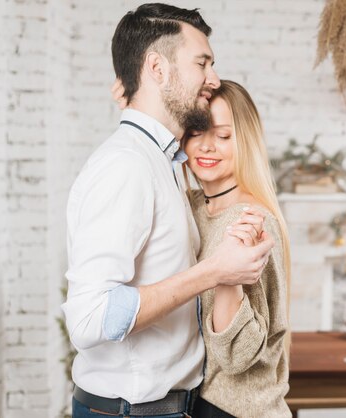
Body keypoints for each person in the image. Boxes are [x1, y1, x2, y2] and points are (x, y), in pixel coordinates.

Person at [62, 4, 274, 417]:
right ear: (157, 69)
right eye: (202, 63)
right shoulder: (127, 166)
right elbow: (90, 319)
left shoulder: (162, 161)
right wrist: (215, 272)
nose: (212, 79)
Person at [182, 80, 292, 418]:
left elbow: (237, 356)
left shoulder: (252, 221)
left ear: (245, 141)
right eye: (196, 132)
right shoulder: (194, 205)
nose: (207, 146)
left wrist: (227, 277)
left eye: (224, 136)